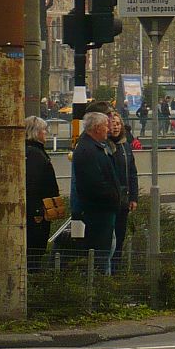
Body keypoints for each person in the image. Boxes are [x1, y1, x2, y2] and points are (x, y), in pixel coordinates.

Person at [71, 110, 123, 274]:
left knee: (107, 250)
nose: (109, 129)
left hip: (103, 211)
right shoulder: (88, 150)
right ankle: (100, 289)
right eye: (105, 126)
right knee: (101, 255)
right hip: (98, 212)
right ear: (96, 128)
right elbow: (94, 183)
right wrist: (113, 196)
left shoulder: (95, 148)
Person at [24, 116, 61, 272]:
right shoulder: (35, 154)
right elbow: (33, 185)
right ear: (36, 132)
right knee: (34, 251)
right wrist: (38, 210)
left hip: (36, 210)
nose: (46, 133)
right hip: (38, 212)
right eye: (44, 130)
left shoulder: (31, 151)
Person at [108, 113, 139, 270]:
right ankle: (108, 270)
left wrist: (134, 197)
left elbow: (132, 173)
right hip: (109, 200)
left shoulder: (125, 146)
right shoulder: (105, 146)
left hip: (124, 201)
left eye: (118, 124)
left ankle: (115, 269)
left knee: (120, 236)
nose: (115, 126)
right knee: (109, 238)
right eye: (112, 123)